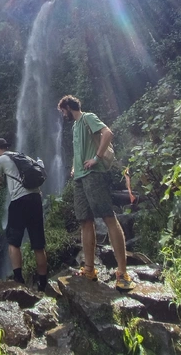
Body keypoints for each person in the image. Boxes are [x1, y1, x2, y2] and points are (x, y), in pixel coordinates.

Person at [57, 95, 135, 291]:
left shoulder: (87, 117)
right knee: (85, 220)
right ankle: (89, 269)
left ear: (67, 106)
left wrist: (96, 158)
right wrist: (75, 167)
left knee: (108, 217)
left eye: (62, 110)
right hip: (80, 178)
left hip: (93, 174)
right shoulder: (75, 126)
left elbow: (108, 133)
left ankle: (122, 272)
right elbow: (80, 149)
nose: (62, 114)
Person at [0, 138, 48, 291]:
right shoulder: (24, 157)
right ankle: (43, 282)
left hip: (19, 201)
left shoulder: (0, 160)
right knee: (38, 243)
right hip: (36, 200)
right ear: (7, 147)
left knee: (13, 241)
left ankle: (18, 279)